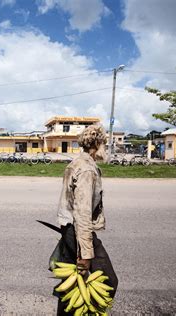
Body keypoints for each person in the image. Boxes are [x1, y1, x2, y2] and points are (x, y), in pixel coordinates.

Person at [56, 124, 118, 315]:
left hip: (68, 229)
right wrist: (85, 254)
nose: (105, 148)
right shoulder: (87, 170)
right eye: (104, 144)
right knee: (109, 281)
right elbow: (82, 214)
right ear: (97, 143)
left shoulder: (76, 162)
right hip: (77, 231)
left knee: (70, 286)